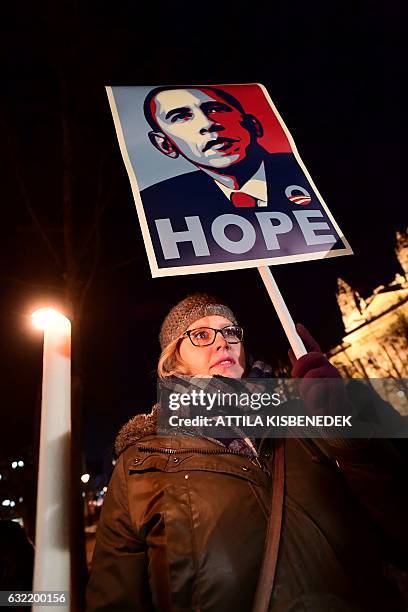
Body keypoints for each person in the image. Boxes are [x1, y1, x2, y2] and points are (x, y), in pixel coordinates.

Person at [86, 293, 407, 611]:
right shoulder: (141, 467)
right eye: (201, 335)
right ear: (172, 364)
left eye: (231, 332)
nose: (223, 342)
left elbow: (398, 529)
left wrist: (348, 429)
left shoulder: (307, 419)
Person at [140, 87, 342, 268]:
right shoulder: (157, 201)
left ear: (253, 125)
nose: (208, 123)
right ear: (164, 145)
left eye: (215, 109)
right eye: (180, 116)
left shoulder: (308, 177)